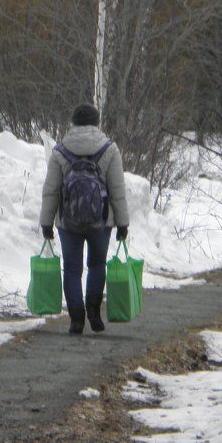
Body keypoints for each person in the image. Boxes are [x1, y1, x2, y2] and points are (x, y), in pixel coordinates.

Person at [39, 103, 129, 334]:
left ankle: (76, 319)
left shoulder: (60, 151)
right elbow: (117, 189)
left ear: (73, 123)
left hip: (68, 223)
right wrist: (122, 223)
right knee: (97, 264)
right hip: (101, 221)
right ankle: (94, 312)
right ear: (97, 123)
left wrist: (46, 222)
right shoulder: (110, 149)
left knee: (71, 269)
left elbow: (51, 189)